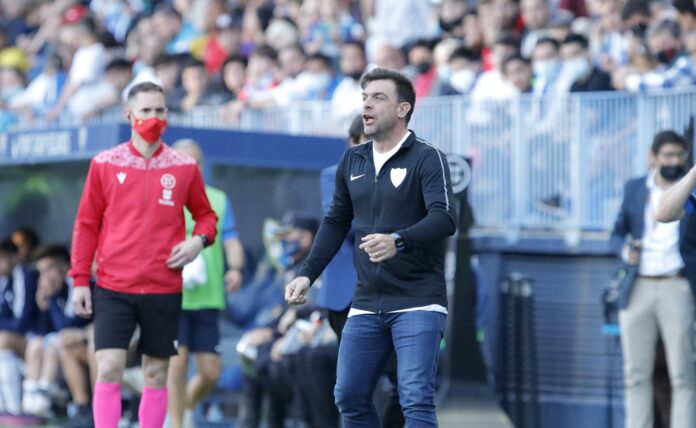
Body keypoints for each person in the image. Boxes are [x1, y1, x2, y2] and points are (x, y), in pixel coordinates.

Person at [285, 67, 457, 427]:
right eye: (364, 97)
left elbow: (445, 219)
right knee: (348, 395)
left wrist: (399, 240)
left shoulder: (428, 158)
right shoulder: (352, 160)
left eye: (378, 97)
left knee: (415, 397)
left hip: (418, 300)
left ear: (402, 109)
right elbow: (334, 223)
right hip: (366, 302)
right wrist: (307, 274)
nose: (367, 104)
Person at [69, 81, 218, 428]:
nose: (153, 117)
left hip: (163, 286)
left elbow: (207, 216)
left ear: (167, 114)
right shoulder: (104, 163)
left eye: (160, 110)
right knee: (107, 366)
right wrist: (78, 280)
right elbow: (86, 224)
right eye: (146, 110)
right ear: (129, 115)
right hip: (113, 286)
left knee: (156, 372)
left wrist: (198, 242)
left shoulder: (183, 166)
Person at [610, 130, 696, 428]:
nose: (674, 161)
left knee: (683, 373)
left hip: (677, 283)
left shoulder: (689, 187)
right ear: (653, 157)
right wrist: (625, 252)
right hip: (640, 283)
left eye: (679, 155)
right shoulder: (636, 188)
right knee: (636, 372)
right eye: (668, 155)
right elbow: (619, 230)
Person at [167, 139, 245, 428]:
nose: (191, 168)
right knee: (176, 364)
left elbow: (231, 240)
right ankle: (176, 423)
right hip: (172, 296)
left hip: (208, 298)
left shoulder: (218, 199)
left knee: (210, 371)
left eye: (196, 162)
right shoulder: (163, 199)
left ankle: (182, 407)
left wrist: (235, 268)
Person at [0, 238, 40, 416]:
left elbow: (20, 322)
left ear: (14, 257)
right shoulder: (5, 280)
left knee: (4, 339)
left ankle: (15, 409)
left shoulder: (24, 275)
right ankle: (5, 407)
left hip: (36, 339)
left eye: (1, 259)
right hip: (19, 339)